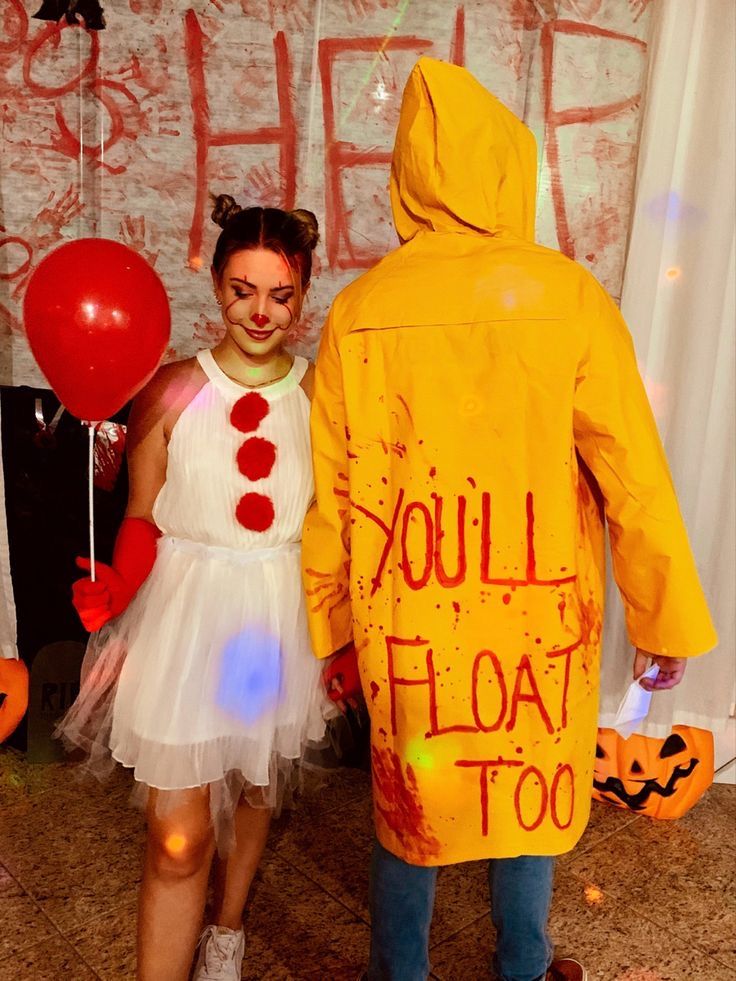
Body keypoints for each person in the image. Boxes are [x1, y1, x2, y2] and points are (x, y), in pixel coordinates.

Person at [302, 58, 717, 981]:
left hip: (412, 614)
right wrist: (664, 616)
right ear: (507, 166)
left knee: (412, 787)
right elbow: (632, 475)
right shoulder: (567, 296)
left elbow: (331, 489)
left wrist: (333, 628)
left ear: (409, 175)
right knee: (527, 779)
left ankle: (396, 970)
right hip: (536, 614)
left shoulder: (359, 309)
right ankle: (522, 963)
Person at [58, 198, 332, 981]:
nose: (260, 310)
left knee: (254, 782)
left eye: (280, 294)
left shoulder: (319, 398)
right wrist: (116, 582)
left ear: (304, 297)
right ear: (216, 286)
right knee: (176, 837)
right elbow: (142, 516)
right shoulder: (174, 388)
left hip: (273, 617)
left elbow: (327, 522)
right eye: (243, 288)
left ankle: (229, 930)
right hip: (186, 618)